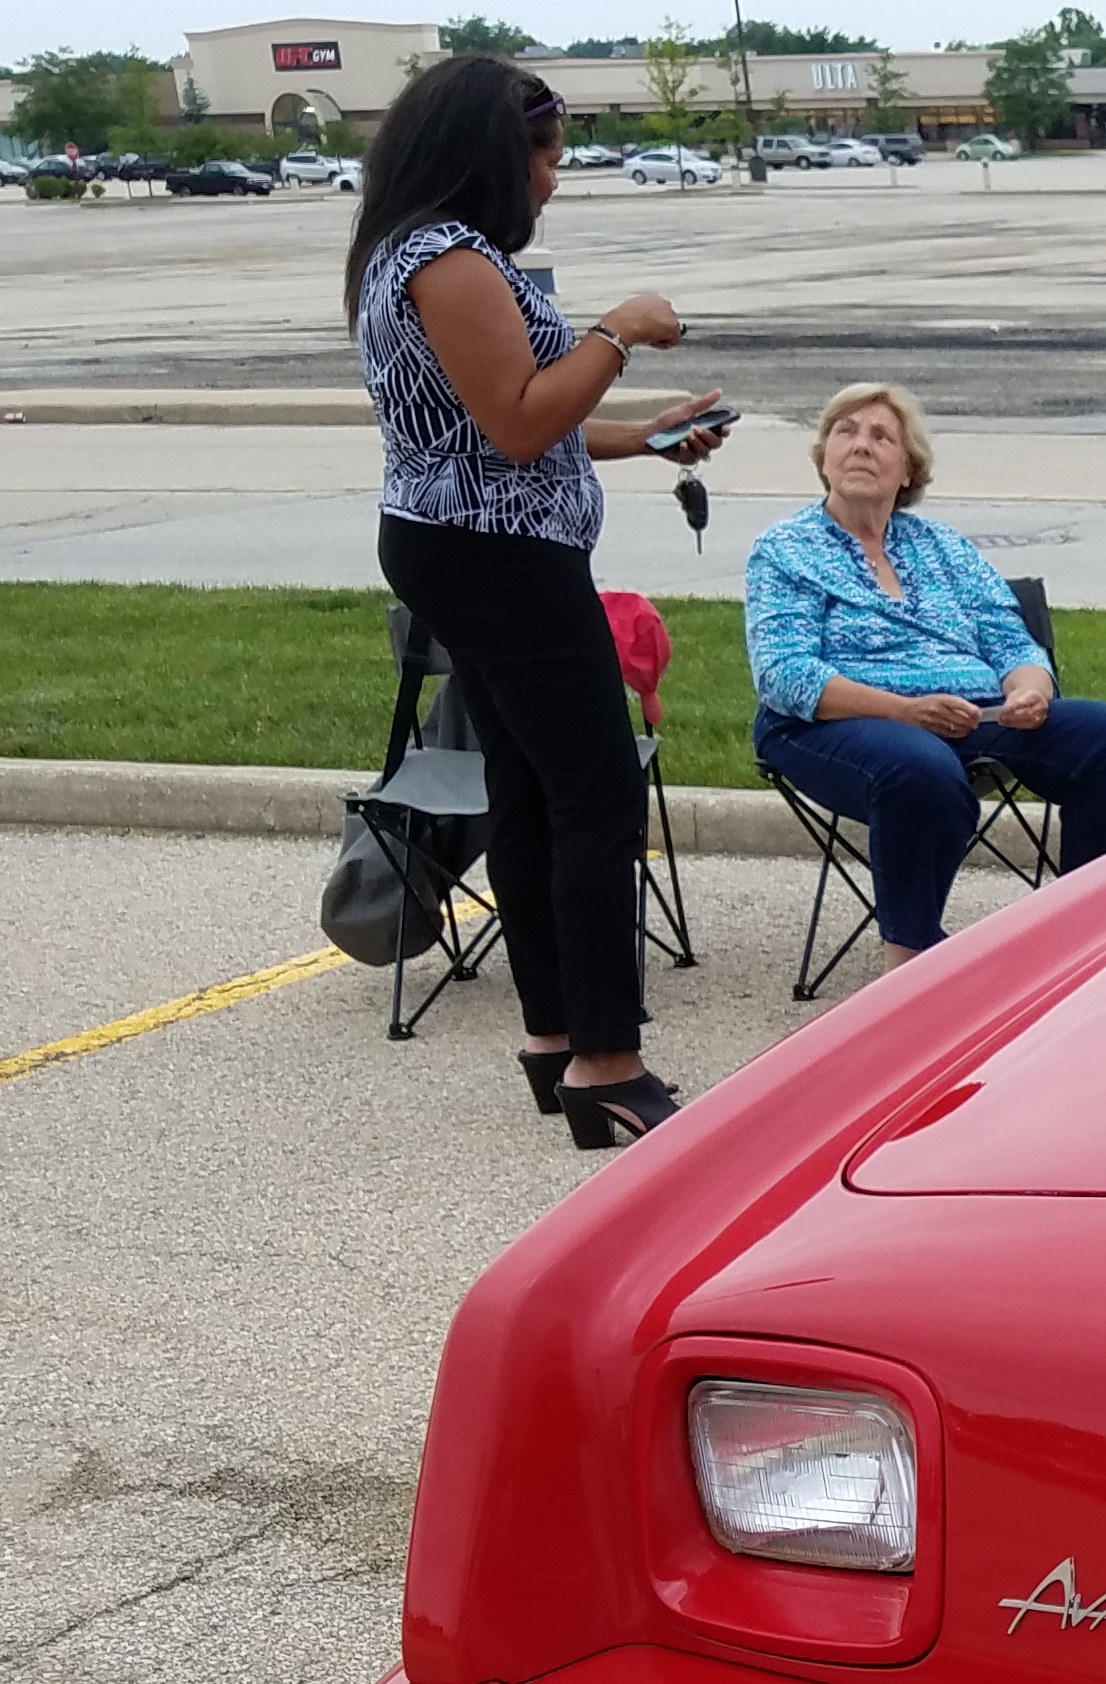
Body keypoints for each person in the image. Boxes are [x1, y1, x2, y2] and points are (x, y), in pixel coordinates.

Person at [346, 52, 727, 1149]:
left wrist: (647, 437)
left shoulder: (406, 249)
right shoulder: (453, 261)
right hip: (498, 557)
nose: (554, 178)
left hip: (462, 541)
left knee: (524, 787)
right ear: (492, 157)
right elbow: (519, 423)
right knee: (597, 795)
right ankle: (609, 1060)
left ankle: (556, 1040)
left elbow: (512, 421)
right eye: (546, 158)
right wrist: (618, 330)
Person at [745, 383, 1106, 974]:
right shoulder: (786, 548)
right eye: (845, 432)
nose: (861, 445)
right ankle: (911, 965)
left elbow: (1012, 642)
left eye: (881, 436)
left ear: (909, 468)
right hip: (830, 722)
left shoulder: (944, 547)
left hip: (972, 713)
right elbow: (785, 674)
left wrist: (1030, 690)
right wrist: (905, 711)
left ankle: (1093, 936)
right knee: (919, 767)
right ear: (824, 456)